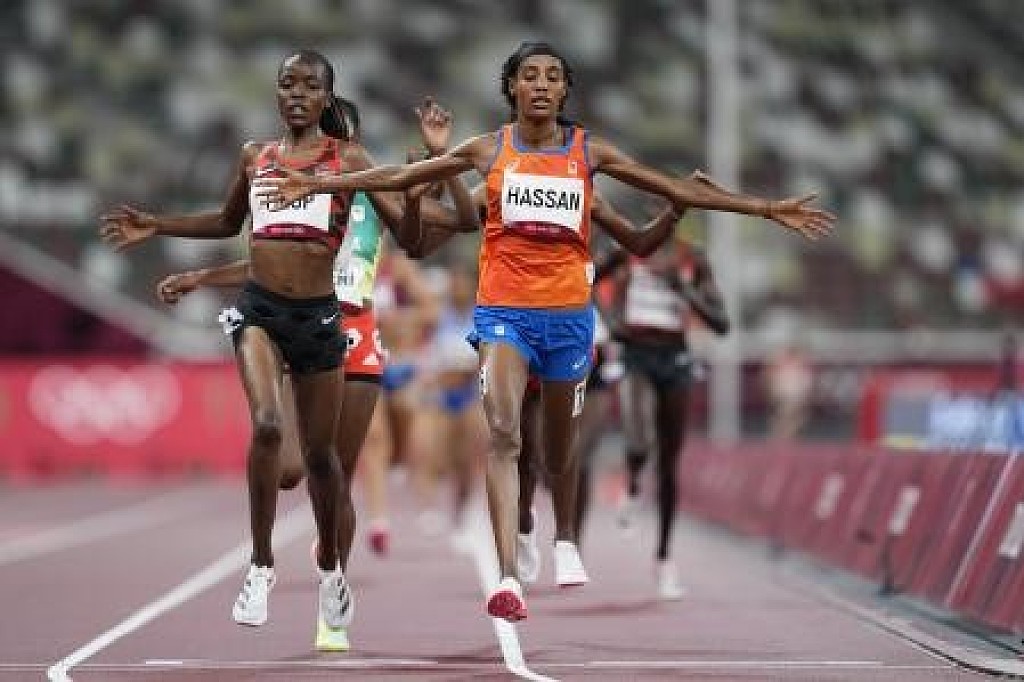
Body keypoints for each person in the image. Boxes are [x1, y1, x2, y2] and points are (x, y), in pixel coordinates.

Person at [254, 41, 834, 622]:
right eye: (529, 75)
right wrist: (320, 186)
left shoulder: (588, 155)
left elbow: (667, 194)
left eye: (552, 77)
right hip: (504, 313)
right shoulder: (489, 151)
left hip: (569, 319)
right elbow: (406, 178)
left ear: (564, 90)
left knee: (559, 450)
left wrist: (764, 209)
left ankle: (563, 536)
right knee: (504, 434)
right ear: (512, 87)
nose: (540, 85)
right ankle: (508, 576)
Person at [100, 50, 477, 646]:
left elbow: (435, 232)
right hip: (270, 311)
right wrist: (182, 252)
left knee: (333, 471)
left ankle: (332, 585)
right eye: (288, 85)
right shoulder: (262, 160)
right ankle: (263, 563)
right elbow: (251, 242)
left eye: (312, 90)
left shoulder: (361, 178)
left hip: (345, 330)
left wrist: (424, 174)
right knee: (279, 448)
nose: (300, 98)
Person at [605, 231, 729, 600]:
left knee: (669, 463)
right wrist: (611, 322)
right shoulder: (628, 248)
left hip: (675, 359)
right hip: (636, 356)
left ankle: (663, 558)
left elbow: (722, 323)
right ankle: (631, 484)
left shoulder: (693, 256)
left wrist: (685, 290)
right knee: (640, 440)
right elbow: (585, 278)